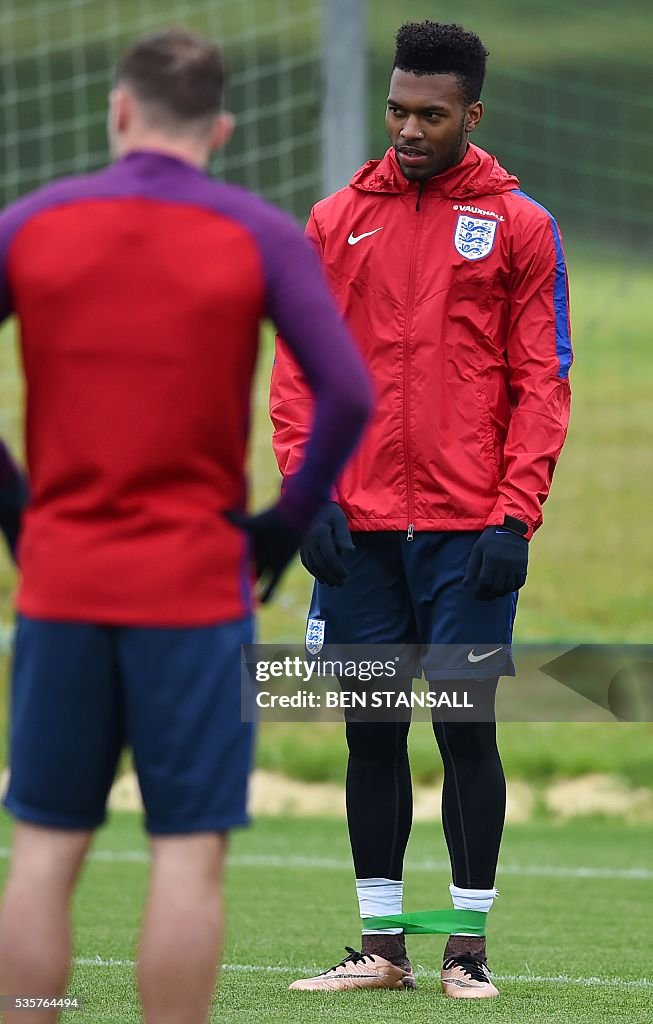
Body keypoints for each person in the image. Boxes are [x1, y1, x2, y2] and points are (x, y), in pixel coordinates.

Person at [0, 27, 372, 1024]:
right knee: (186, 854)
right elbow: (344, 392)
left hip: (63, 580)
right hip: (195, 590)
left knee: (42, 853)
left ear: (117, 111)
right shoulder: (256, 232)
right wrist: (280, 527)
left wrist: (16, 508)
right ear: (220, 128)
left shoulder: (30, 223)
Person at [271, 20, 571, 998]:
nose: (406, 128)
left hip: (464, 532)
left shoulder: (518, 226)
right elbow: (296, 371)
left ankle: (465, 948)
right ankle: (382, 948)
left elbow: (541, 378)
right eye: (397, 109)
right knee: (369, 729)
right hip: (357, 530)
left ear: (469, 116)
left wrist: (512, 515)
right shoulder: (331, 219)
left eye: (428, 115)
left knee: (462, 726)